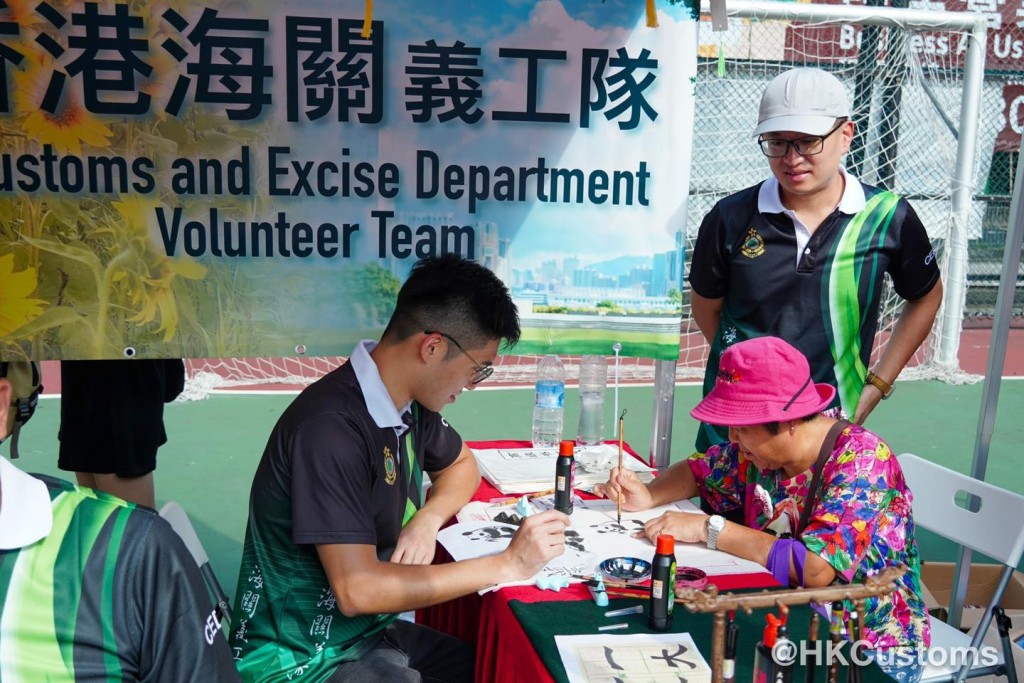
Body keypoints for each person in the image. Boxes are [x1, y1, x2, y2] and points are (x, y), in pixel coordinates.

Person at [230, 254, 570, 682]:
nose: (471, 386)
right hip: (301, 661)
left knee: (495, 670)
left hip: (367, 635)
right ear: (432, 347)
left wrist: (427, 519)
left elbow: (463, 464)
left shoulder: (407, 403)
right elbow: (358, 589)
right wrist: (507, 565)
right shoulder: (330, 429)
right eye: (477, 370)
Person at [595, 337, 929, 680]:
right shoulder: (759, 453)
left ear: (790, 421)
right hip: (786, 617)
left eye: (741, 427)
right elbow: (698, 471)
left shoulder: (861, 463)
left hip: (869, 645)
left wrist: (710, 529)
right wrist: (649, 494)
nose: (732, 439)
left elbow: (815, 569)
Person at [688, 66, 943, 452]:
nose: (791, 159)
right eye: (776, 141)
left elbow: (926, 295)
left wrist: (878, 384)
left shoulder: (888, 217)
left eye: (807, 141)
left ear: (845, 136)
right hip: (733, 432)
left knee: (820, 516)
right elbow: (707, 308)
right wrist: (751, 373)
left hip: (828, 431)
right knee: (714, 514)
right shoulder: (728, 218)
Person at [0, 361, 239, 682]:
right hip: (108, 401)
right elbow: (169, 378)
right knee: (109, 551)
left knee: (123, 554)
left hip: (110, 403)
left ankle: (119, 638)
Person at [58, 358, 185, 508]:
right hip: (121, 425)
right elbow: (171, 385)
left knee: (97, 520)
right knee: (133, 526)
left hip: (82, 412)